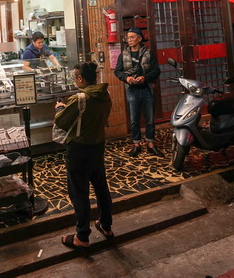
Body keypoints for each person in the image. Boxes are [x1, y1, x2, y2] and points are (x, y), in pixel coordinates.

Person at [54, 62, 114, 252]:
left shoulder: (80, 99)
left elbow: (61, 121)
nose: (73, 79)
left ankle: (82, 237)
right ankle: (106, 225)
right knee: (101, 188)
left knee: (79, 193)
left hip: (79, 150)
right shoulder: (106, 94)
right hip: (98, 146)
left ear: (81, 78)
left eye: (74, 76)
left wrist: (59, 108)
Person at [114, 27, 162, 157]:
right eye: (128, 37)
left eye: (132, 37)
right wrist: (126, 78)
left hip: (147, 89)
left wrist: (145, 78)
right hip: (131, 90)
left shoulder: (149, 53)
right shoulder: (123, 54)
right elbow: (117, 71)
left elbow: (156, 71)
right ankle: (136, 144)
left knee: (150, 119)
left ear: (140, 39)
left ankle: (150, 143)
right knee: (134, 119)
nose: (129, 40)